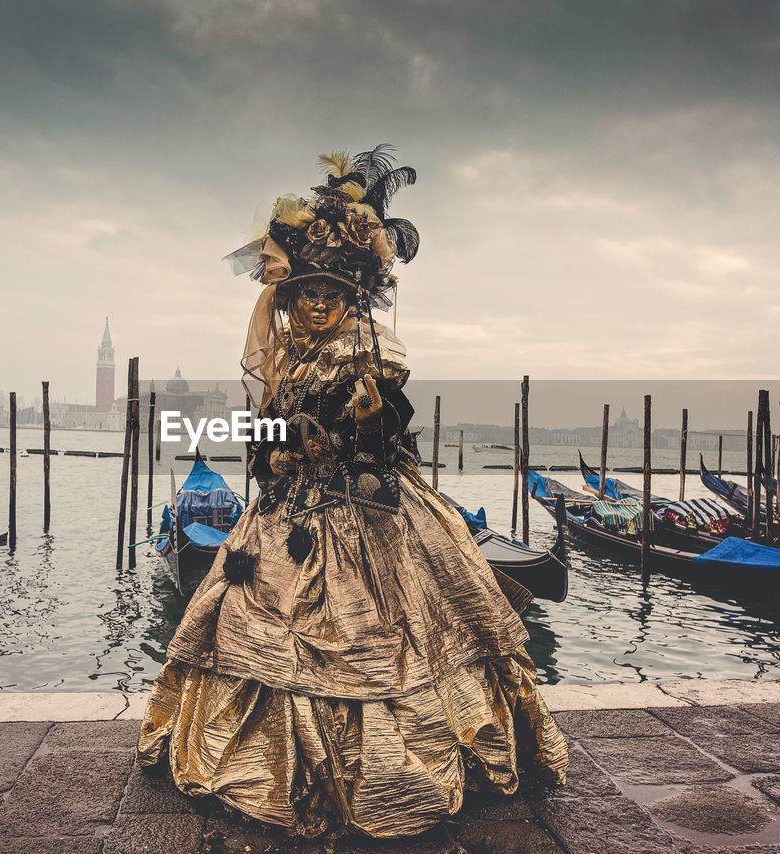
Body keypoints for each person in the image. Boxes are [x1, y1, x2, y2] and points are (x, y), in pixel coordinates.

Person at [138, 146, 567, 839]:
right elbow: (265, 444)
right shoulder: (287, 361)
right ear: (288, 296)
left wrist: (367, 422)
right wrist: (273, 454)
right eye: (306, 292)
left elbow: (389, 431)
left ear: (351, 297)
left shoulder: (373, 355)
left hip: (367, 519)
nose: (316, 303)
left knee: (378, 639)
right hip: (285, 518)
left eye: (331, 294)